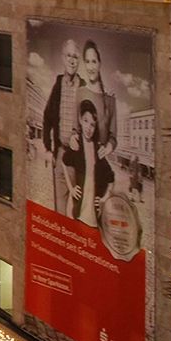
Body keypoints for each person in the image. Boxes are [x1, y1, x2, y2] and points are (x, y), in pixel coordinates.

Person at [42, 39, 83, 213]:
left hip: (78, 158)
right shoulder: (58, 85)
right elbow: (47, 117)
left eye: (75, 56)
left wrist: (78, 135)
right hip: (60, 153)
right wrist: (48, 148)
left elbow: (91, 124)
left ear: (79, 60)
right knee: (60, 207)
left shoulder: (84, 87)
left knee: (77, 208)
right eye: (69, 56)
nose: (72, 60)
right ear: (63, 58)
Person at [62, 99, 115, 226]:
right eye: (86, 121)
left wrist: (104, 198)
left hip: (93, 217)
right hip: (76, 211)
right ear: (80, 120)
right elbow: (64, 161)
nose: (88, 128)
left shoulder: (98, 149)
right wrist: (71, 188)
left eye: (92, 124)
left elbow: (111, 179)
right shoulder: (76, 144)